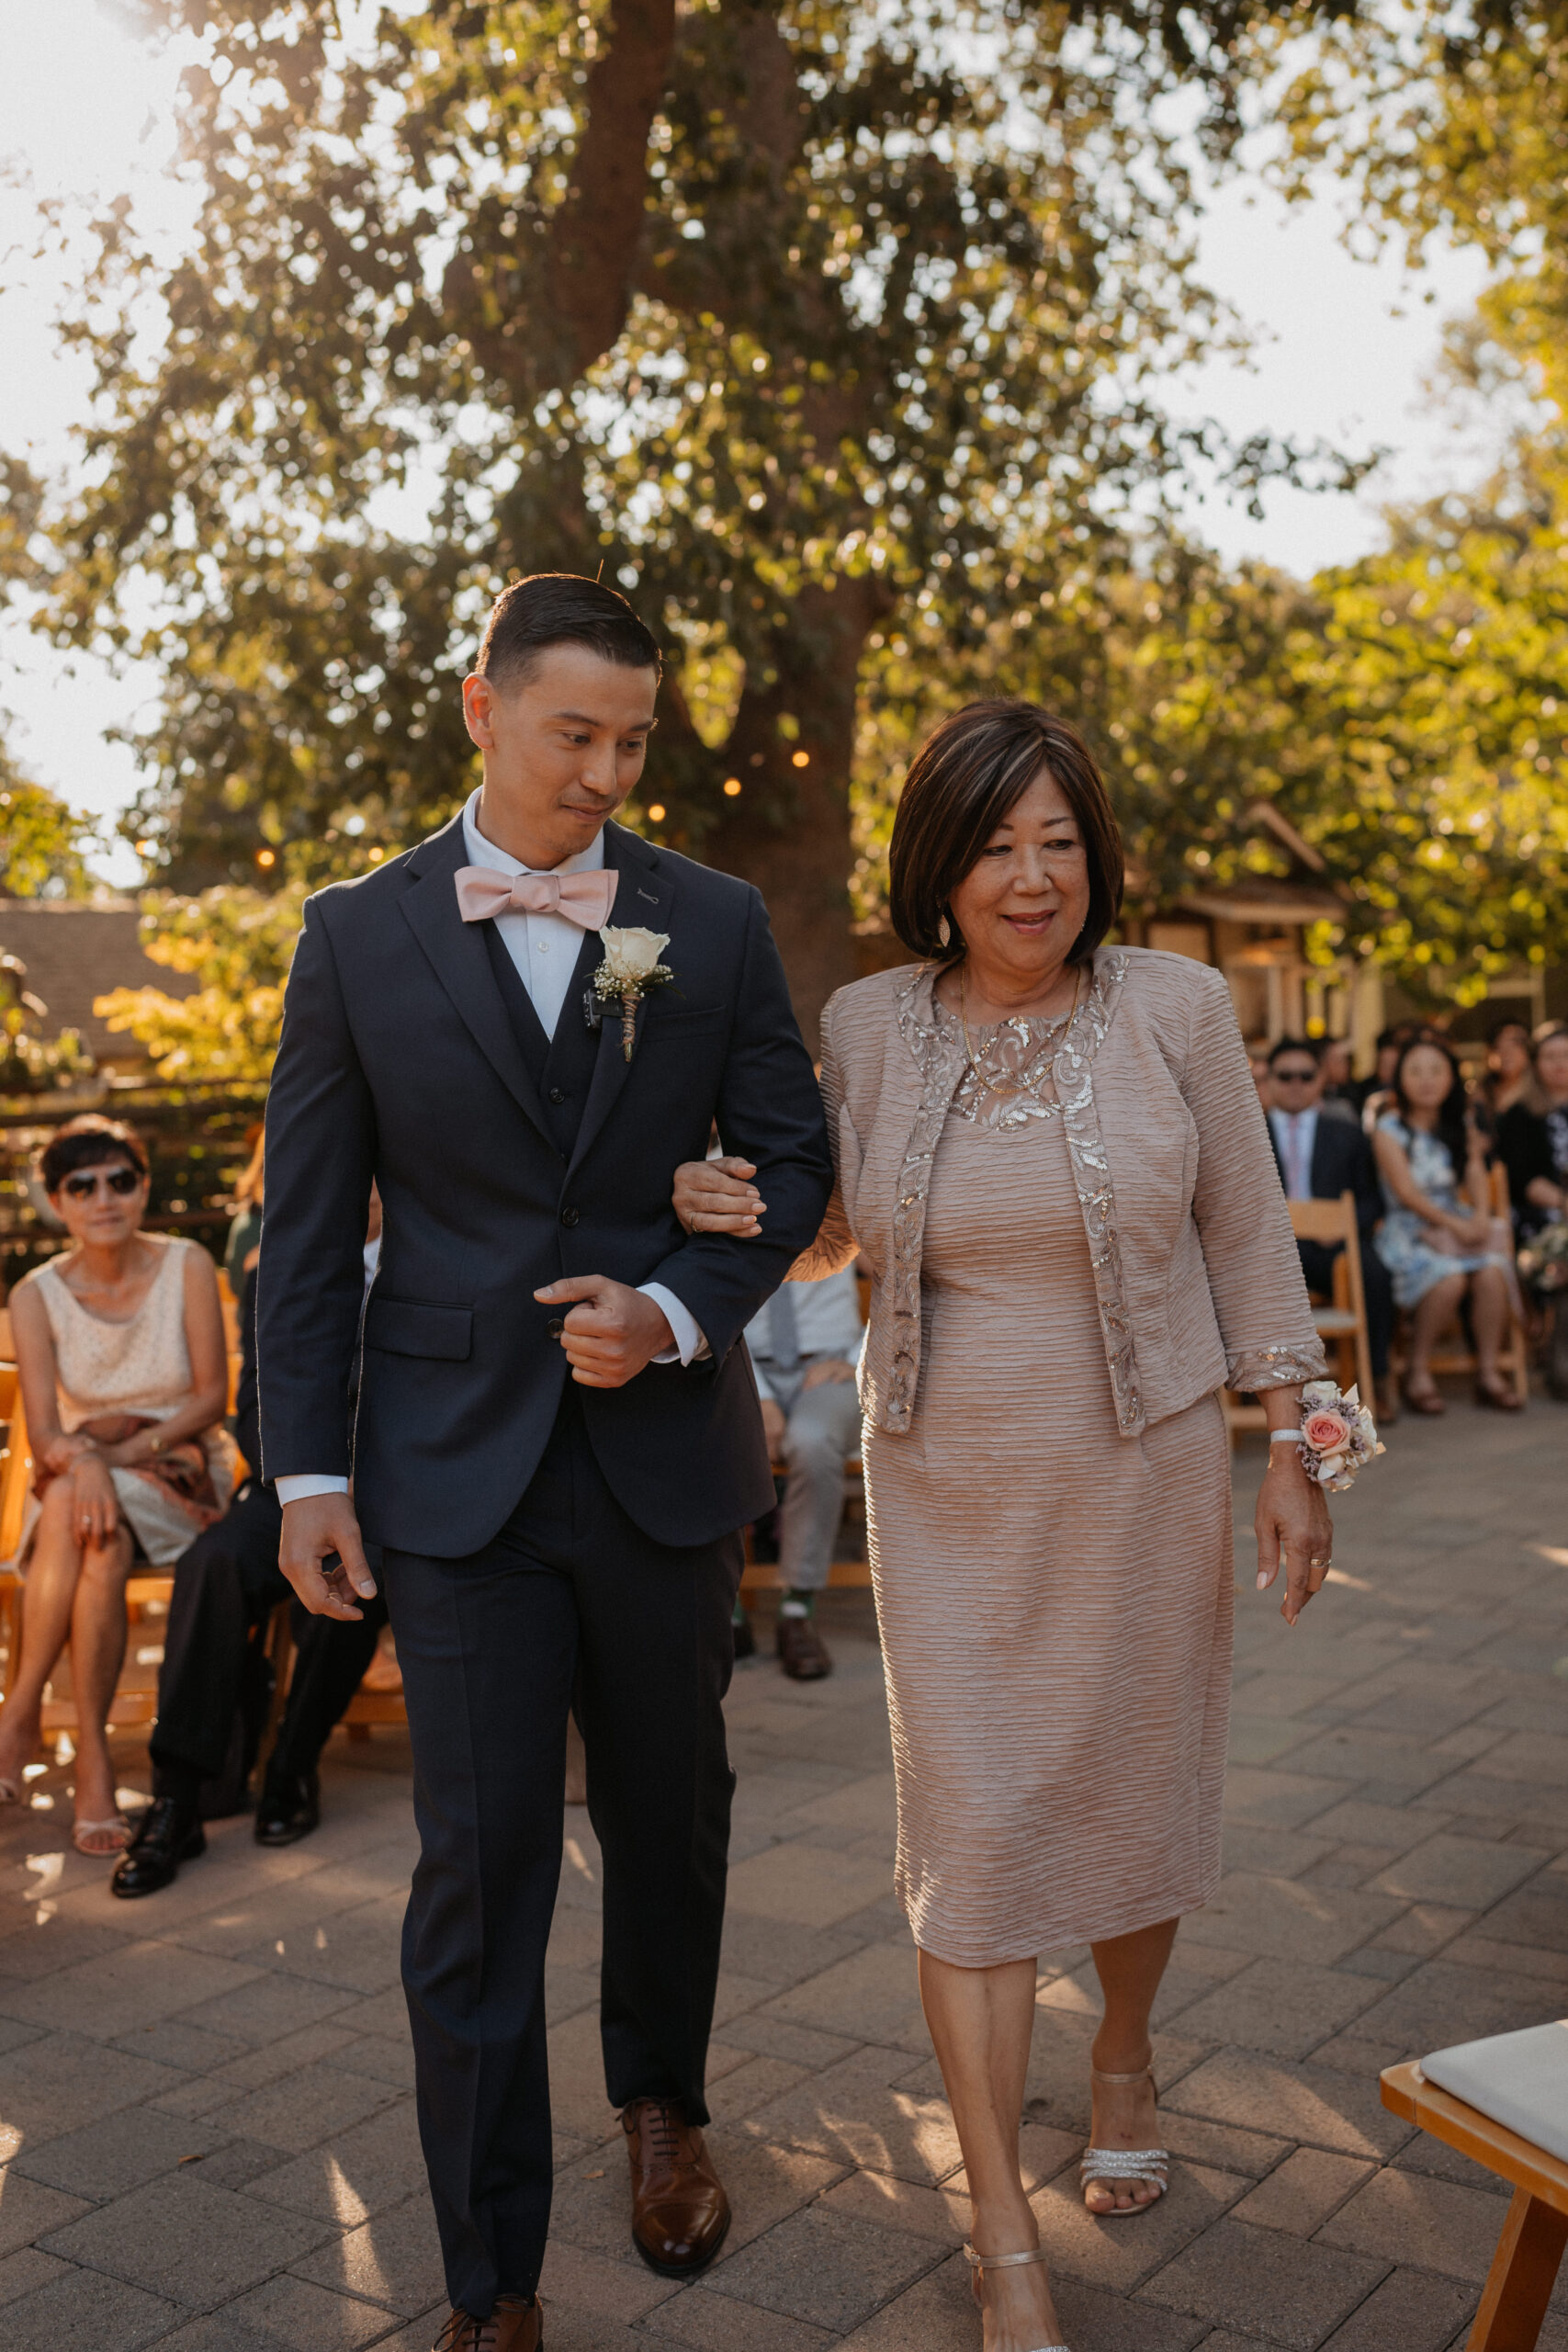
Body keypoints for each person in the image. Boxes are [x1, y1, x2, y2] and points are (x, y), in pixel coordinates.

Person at [673, 700, 1332, 2352]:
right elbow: (829, 1228)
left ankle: (1121, 2045)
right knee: (969, 1848)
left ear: (1093, 863)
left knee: (1127, 1783)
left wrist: (1305, 1454)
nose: (1031, 878)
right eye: (995, 846)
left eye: (1059, 843)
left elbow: (1252, 1243)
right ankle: (998, 2240)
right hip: (948, 1483)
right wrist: (729, 1201)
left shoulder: (1178, 1005)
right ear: (939, 869)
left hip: (1145, 1471)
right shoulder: (873, 1022)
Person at [256, 572, 832, 2352]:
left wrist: (671, 1308)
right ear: (479, 707)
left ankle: (664, 2105)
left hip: (662, 1455)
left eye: (630, 738)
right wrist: (304, 1479)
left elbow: (792, 1166)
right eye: (573, 731)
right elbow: (301, 1229)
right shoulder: (352, 933)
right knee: (480, 1860)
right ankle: (485, 2270)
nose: (604, 771)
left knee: (672, 1819)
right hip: (448, 1474)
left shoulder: (710, 920)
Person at [110, 1194, 390, 1897]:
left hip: (394, 1496)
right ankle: (176, 1796)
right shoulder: (276, 1272)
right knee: (212, 1564)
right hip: (290, 1490)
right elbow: (253, 1406)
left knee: (355, 1569)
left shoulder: (437, 1263)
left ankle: (293, 1765)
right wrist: (312, 1487)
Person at [2, 1116, 233, 1854]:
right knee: (92, 1535)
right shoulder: (35, 1296)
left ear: (142, 1189)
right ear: (57, 1201)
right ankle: (94, 1763)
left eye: (121, 1180)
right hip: (87, 1481)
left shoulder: (187, 1264)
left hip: (181, 1466)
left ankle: (18, 1716)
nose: (105, 1199)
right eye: (82, 1186)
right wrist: (91, 1461)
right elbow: (45, 1434)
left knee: (75, 1502)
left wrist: (120, 1450)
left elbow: (209, 1398)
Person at [1372, 1035, 1521, 1413]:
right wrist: (1457, 1226)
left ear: (1451, 1077)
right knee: (1449, 1278)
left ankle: (1488, 1372)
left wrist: (1481, 1218)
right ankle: (1417, 1371)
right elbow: (1406, 1194)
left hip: (1458, 1224)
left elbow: (1475, 1172)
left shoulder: (1460, 1122)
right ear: (1400, 1078)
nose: (1427, 1079)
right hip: (1411, 1230)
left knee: (1491, 1273)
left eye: (1436, 1070)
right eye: (1416, 1070)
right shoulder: (1387, 1130)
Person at [736, 1261, 864, 1680]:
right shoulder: (723, 1203)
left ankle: (797, 1609)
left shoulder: (838, 1202)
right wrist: (760, 1392)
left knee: (811, 1441)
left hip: (829, 1368)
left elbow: (904, 1276)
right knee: (714, 1440)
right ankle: (728, 1611)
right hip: (740, 1364)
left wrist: (859, 1358)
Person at [1264, 1038, 1396, 1418]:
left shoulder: (1346, 1132)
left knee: (1374, 1274)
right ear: (1269, 1080)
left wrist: (1342, 1227)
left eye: (1305, 1076)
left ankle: (1378, 1381)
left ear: (1321, 1079)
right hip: (1268, 1249)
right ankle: (1252, 1389)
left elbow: (1371, 1200)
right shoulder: (1244, 1133)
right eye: (1285, 1075)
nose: (1295, 1084)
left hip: (1329, 1247)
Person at [1496, 1026, 1568, 1400]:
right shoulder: (1520, 1114)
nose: (1560, 1065)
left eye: (1566, 1055)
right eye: (1551, 1057)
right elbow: (1523, 1179)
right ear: (1537, 1063)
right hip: (1540, 1217)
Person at [1477, 1017, 1534, 1136]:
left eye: (1515, 1045)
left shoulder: (1542, 1093)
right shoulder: (1480, 1094)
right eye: (1499, 1046)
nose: (1507, 1053)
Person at [1316, 1037, 1361, 1123]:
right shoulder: (1313, 1096)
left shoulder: (1356, 1092)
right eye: (1339, 1061)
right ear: (1323, 1063)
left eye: (1346, 1060)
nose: (1345, 1066)